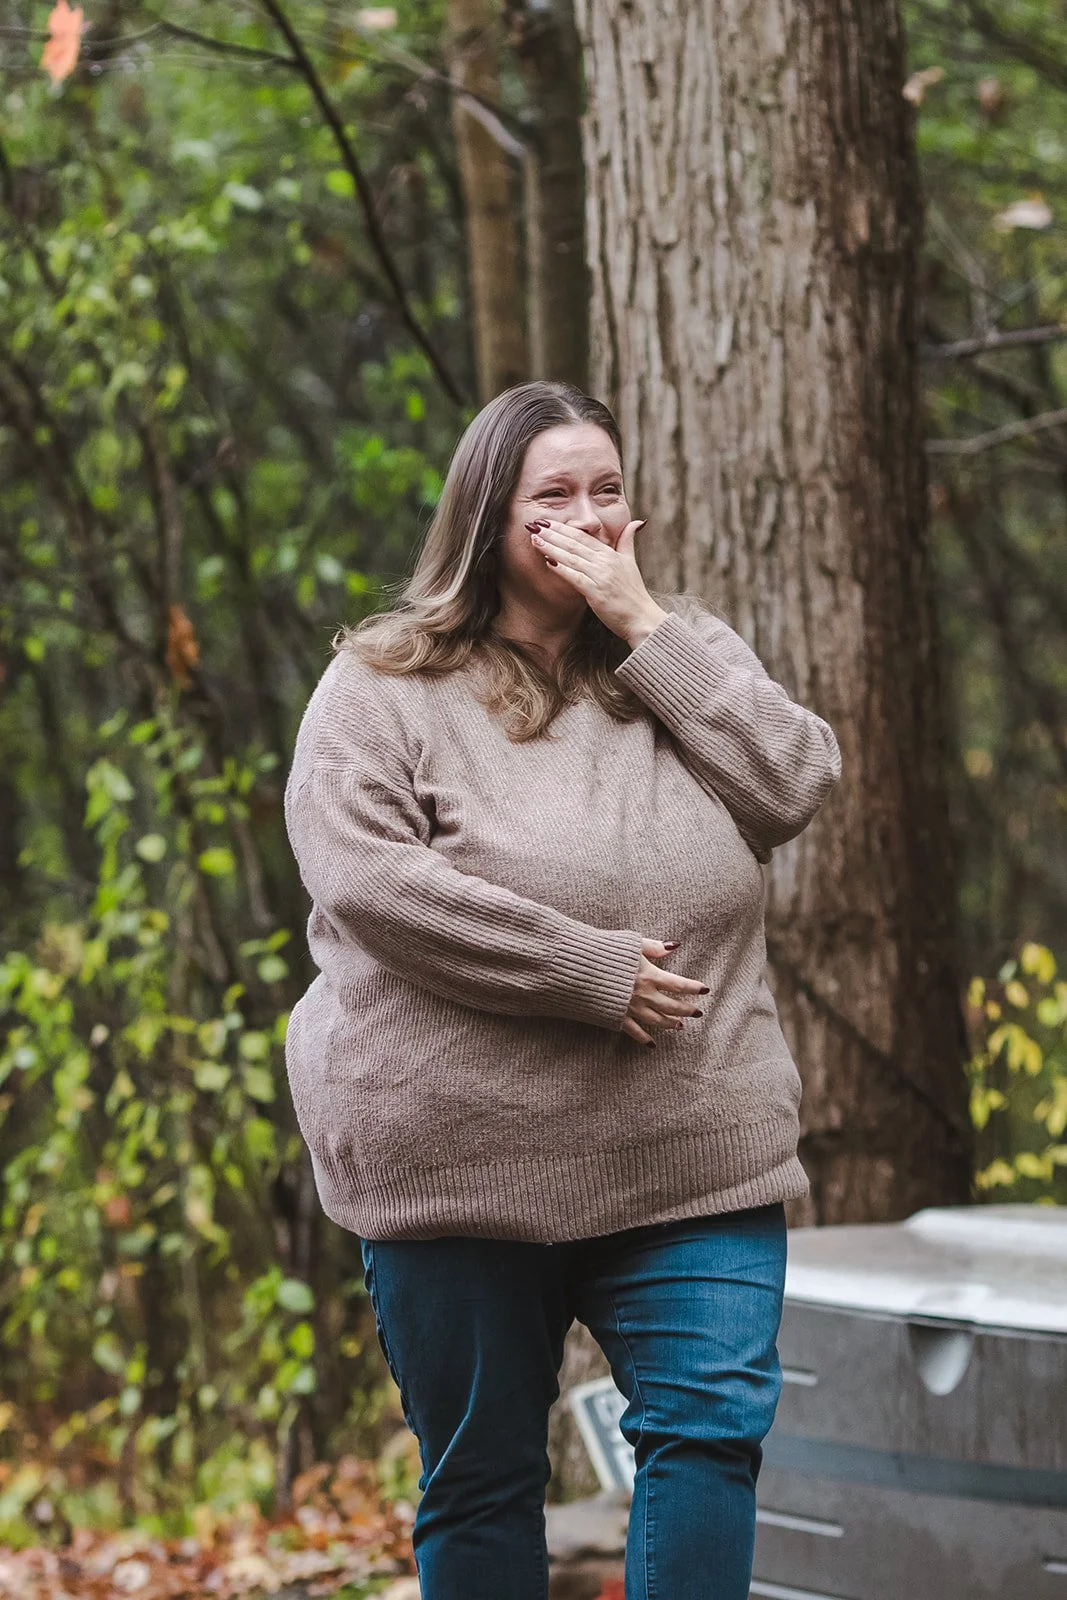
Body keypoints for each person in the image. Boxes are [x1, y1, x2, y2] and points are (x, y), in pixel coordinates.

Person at [283, 380, 842, 1600]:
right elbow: (369, 882)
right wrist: (581, 970)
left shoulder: (676, 657)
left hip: (693, 1150)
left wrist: (643, 622)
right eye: (552, 496)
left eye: (606, 490)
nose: (587, 516)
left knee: (707, 1437)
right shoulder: (382, 687)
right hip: (461, 1161)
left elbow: (793, 781)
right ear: (487, 518)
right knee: (483, 1474)